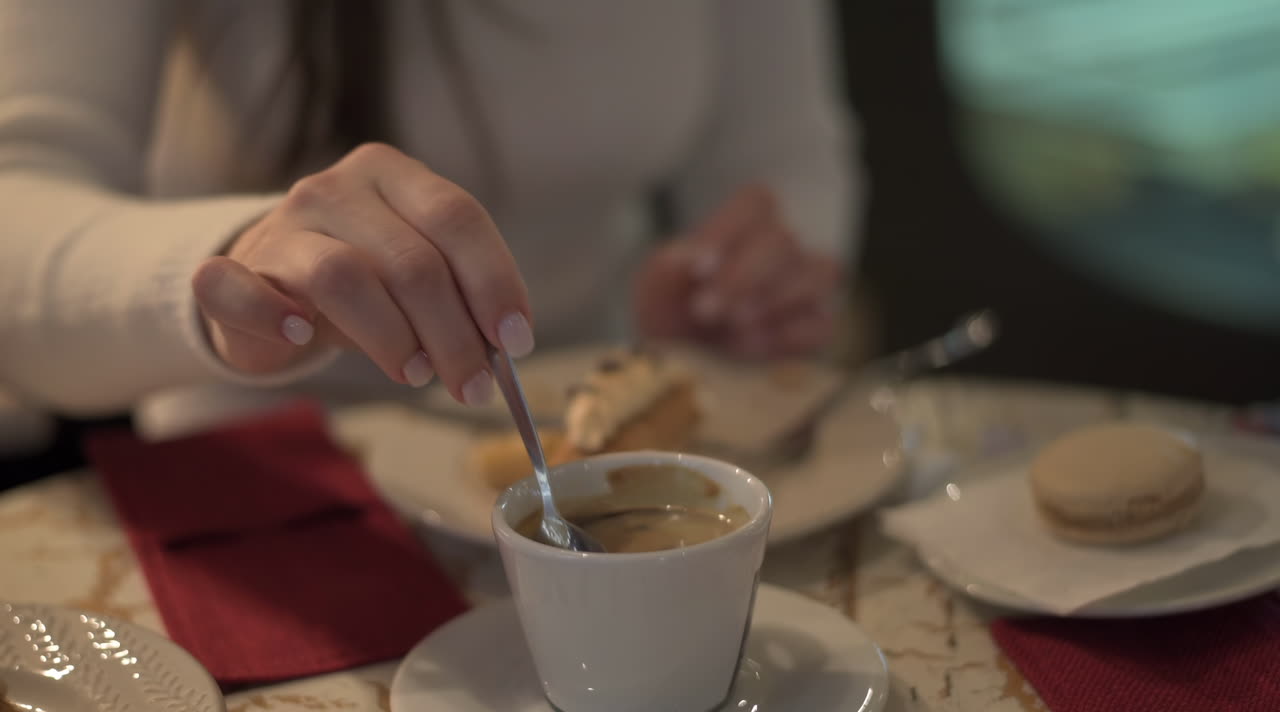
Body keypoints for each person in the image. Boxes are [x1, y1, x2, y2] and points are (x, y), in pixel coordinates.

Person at [0, 1, 860, 429]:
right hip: (269, 496)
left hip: (595, 445)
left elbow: (783, 153)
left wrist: (736, 287)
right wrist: (233, 262)